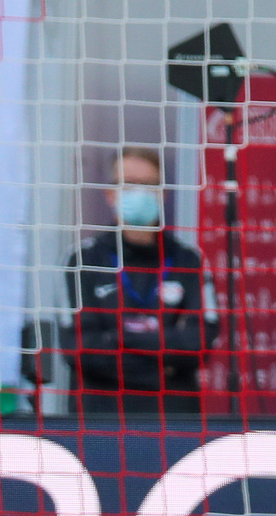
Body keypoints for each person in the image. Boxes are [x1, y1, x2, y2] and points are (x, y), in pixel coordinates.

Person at [61, 146, 215, 416]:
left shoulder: (189, 260)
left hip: (175, 420)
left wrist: (117, 338)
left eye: (149, 185)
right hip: (100, 420)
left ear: (163, 194)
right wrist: (163, 366)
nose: (139, 192)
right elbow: (79, 348)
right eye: (129, 184)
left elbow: (199, 343)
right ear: (110, 194)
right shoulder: (82, 259)